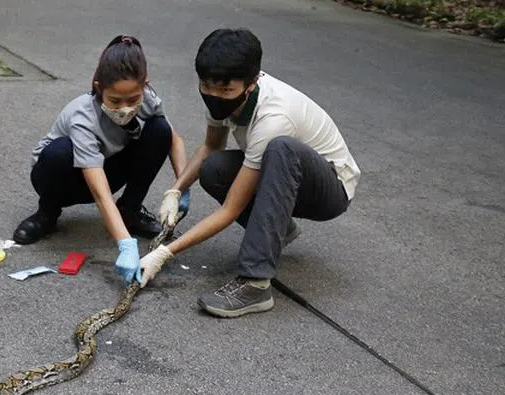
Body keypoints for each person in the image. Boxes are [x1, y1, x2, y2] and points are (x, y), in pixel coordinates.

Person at [139, 28, 361, 316]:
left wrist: (164, 253)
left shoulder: (274, 117)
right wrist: (176, 189)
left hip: (329, 189)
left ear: (251, 83)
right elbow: (210, 146)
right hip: (284, 176)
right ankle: (278, 232)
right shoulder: (220, 93)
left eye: (225, 90)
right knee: (213, 168)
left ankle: (255, 283)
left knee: (282, 149)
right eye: (207, 86)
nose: (215, 95)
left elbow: (232, 208)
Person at [12, 34, 190, 284]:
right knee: (59, 152)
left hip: (108, 164)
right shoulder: (83, 115)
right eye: (115, 101)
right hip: (66, 176)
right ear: (98, 87)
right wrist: (125, 246)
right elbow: (101, 194)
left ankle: (130, 210)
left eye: (133, 99)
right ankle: (47, 213)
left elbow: (175, 140)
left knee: (160, 129)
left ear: (145, 86)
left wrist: (181, 188)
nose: (125, 108)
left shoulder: (148, 98)